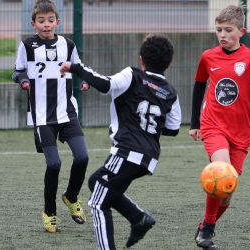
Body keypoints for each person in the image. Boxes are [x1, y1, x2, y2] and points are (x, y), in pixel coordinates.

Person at [59, 34, 181, 250]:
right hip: (149, 157)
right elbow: (172, 129)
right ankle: (139, 218)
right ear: (169, 64)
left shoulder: (133, 75)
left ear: (141, 58)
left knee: (98, 204)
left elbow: (106, 84)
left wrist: (76, 68)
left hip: (127, 151)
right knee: (96, 183)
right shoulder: (170, 91)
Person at [189, 5, 250, 249]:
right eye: (219, 30)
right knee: (221, 171)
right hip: (213, 125)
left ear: (241, 31)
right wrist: (195, 123)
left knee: (227, 190)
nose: (222, 35)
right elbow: (198, 88)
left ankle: (205, 225)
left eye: (228, 30)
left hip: (240, 133)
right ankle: (208, 231)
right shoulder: (208, 56)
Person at [12, 0, 89, 233]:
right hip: (42, 115)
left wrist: (85, 80)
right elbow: (17, 71)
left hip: (67, 112)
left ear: (58, 21)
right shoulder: (27, 46)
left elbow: (79, 68)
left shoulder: (68, 44)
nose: (46, 25)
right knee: (54, 164)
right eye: (41, 21)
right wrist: (24, 80)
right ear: (33, 23)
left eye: (50, 20)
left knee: (83, 157)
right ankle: (49, 211)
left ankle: (71, 197)